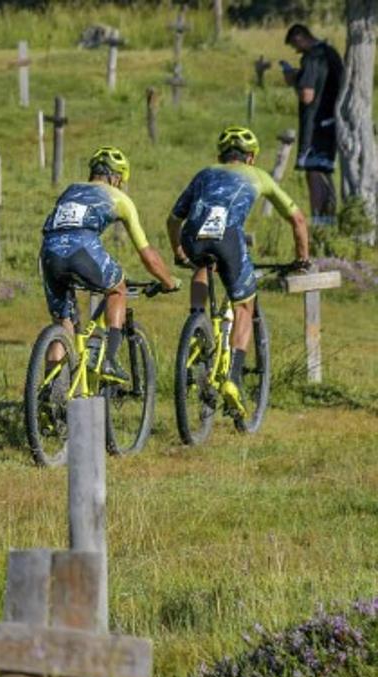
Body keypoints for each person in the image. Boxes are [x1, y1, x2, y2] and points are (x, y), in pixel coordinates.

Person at [167, 126, 310, 409]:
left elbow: (173, 220)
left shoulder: (205, 173)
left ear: (221, 155)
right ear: (251, 158)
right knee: (245, 304)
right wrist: (302, 259)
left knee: (203, 263)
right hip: (229, 238)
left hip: (193, 237)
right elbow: (298, 220)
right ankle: (233, 376)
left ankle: (196, 322)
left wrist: (178, 252)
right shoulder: (259, 177)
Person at [39, 146, 176, 381]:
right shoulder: (119, 198)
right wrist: (168, 280)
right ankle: (110, 360)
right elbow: (147, 254)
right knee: (117, 288)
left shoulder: (70, 190)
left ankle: (49, 397)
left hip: (49, 252)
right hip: (82, 248)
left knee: (64, 325)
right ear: (116, 177)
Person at [281, 23, 343, 227]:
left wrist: (293, 79)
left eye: (295, 46)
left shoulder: (311, 58)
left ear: (300, 37)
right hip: (333, 121)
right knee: (326, 170)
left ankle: (318, 222)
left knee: (313, 171)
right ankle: (330, 220)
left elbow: (307, 95)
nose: (297, 51)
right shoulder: (331, 53)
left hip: (315, 124)